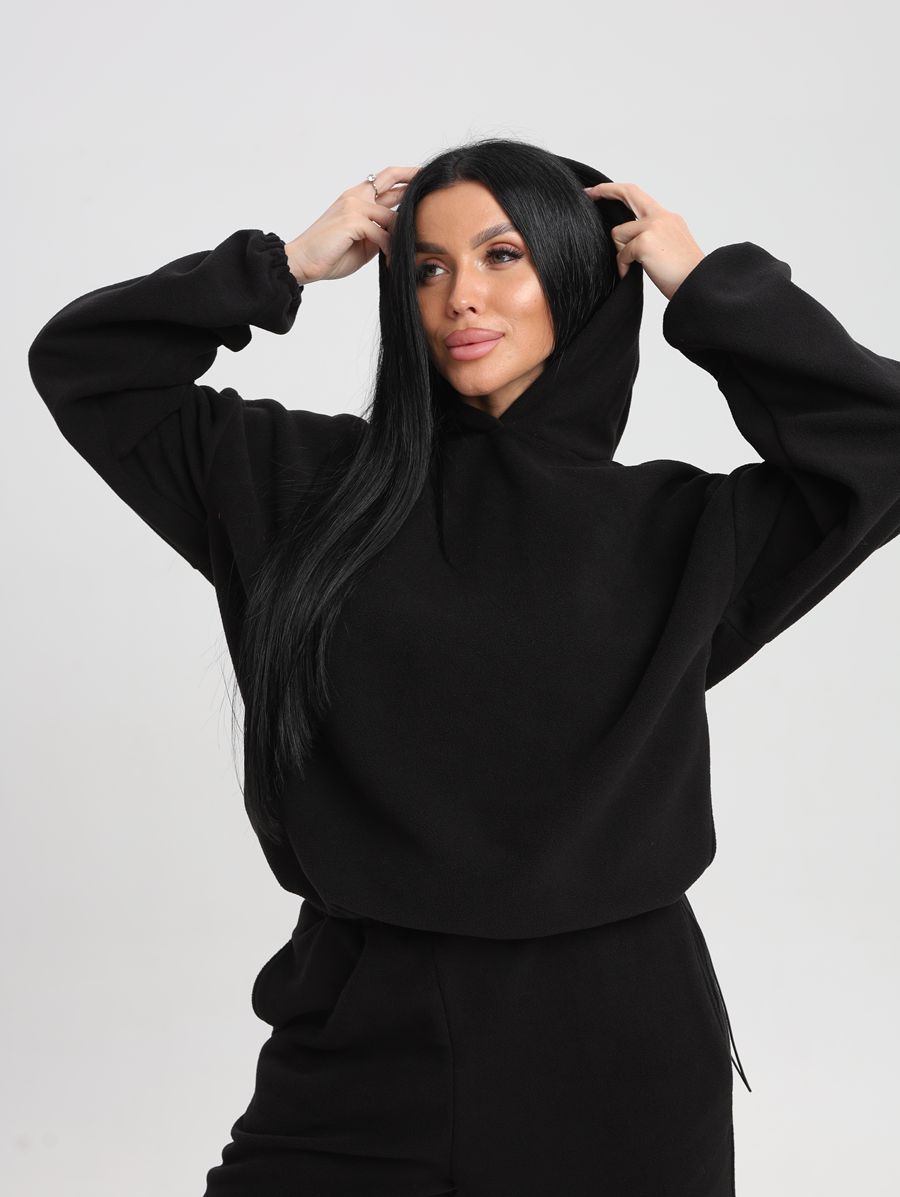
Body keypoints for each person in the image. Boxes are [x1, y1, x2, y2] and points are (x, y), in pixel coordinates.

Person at [27, 138, 900, 1196]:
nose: (459, 298)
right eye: (427, 268)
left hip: (617, 1052)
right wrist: (281, 266)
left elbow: (882, 441)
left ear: (578, 273)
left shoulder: (681, 532)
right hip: (359, 1041)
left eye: (502, 255)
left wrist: (710, 288)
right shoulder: (300, 490)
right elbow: (89, 367)